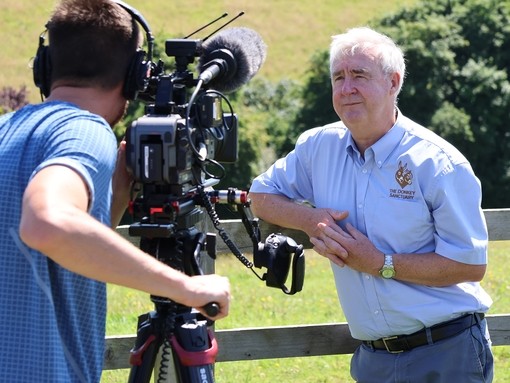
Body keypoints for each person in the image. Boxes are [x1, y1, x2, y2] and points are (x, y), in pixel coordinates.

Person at [0, 0, 230, 382]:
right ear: (136, 75)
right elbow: (47, 224)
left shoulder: (8, 130)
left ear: (45, 65)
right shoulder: (85, 132)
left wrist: (115, 199)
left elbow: (52, 255)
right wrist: (186, 287)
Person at [249, 26, 493, 382]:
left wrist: (381, 263)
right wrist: (311, 219)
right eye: (339, 77)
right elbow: (260, 196)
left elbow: (469, 265)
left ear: (393, 83)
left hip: (446, 351)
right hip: (373, 360)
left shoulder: (438, 163)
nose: (347, 89)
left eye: (359, 75)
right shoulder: (318, 147)